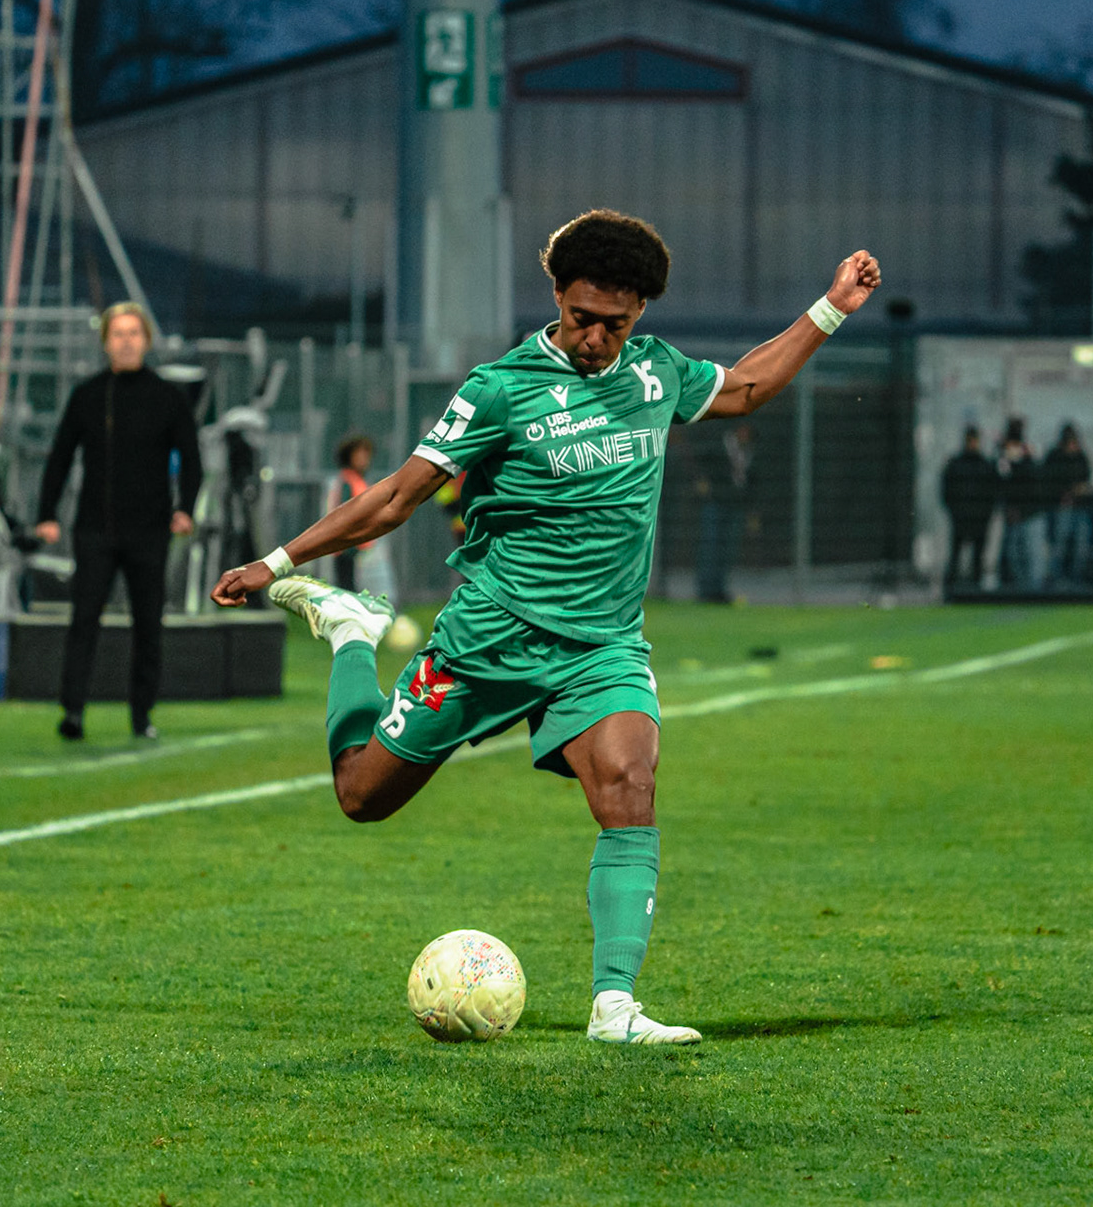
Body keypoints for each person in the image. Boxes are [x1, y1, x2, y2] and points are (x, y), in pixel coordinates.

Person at [210, 211, 881, 1045]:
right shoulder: (500, 389)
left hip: (602, 646)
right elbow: (394, 498)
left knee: (630, 788)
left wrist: (831, 307)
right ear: (557, 295)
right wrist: (278, 561)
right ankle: (351, 632)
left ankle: (614, 1006)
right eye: (582, 318)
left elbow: (746, 388)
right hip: (490, 639)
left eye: (616, 324)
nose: (597, 338)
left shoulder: (655, 371)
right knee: (362, 796)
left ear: (639, 314)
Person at [35, 302, 201, 742]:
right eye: (118, 334)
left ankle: (142, 716)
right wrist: (46, 513)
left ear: (146, 340)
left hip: (150, 531)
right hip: (95, 530)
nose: (126, 341)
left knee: (148, 625)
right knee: (83, 620)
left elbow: (191, 459)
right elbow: (60, 456)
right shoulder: (88, 395)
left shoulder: (168, 397)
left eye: (134, 333)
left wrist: (185, 508)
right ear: (105, 342)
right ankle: (72, 711)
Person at [694, 420, 755, 603]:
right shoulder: (718, 444)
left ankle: (719, 590)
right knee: (711, 546)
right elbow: (701, 463)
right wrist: (703, 482)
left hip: (735, 504)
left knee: (727, 549)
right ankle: (706, 591)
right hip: (715, 502)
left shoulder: (748, 450)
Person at [940, 426, 995, 595]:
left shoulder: (984, 465)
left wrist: (986, 514)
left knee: (977, 557)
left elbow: (992, 493)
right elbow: (947, 491)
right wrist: (955, 511)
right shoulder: (957, 464)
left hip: (979, 519)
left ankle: (975, 590)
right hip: (961, 518)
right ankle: (951, 590)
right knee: (956, 555)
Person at [1043, 423, 1093, 588]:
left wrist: (1079, 490)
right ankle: (1058, 580)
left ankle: (1076, 579)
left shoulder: (1081, 457)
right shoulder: (1055, 457)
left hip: (1079, 507)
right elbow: (1048, 481)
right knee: (1059, 546)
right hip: (1061, 508)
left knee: (1080, 547)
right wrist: (1063, 493)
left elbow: (1087, 479)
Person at [996, 417, 1041, 590]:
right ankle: (1017, 590)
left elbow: (1031, 479)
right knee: (1015, 554)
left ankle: (1029, 591)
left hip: (1028, 511)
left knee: (1028, 555)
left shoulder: (1025, 452)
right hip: (1015, 512)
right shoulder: (1005, 454)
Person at [326, 437, 374, 592]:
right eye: (359, 455)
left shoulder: (357, 480)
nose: (364, 460)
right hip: (347, 545)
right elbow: (344, 512)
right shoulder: (347, 480)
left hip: (357, 544)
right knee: (347, 588)